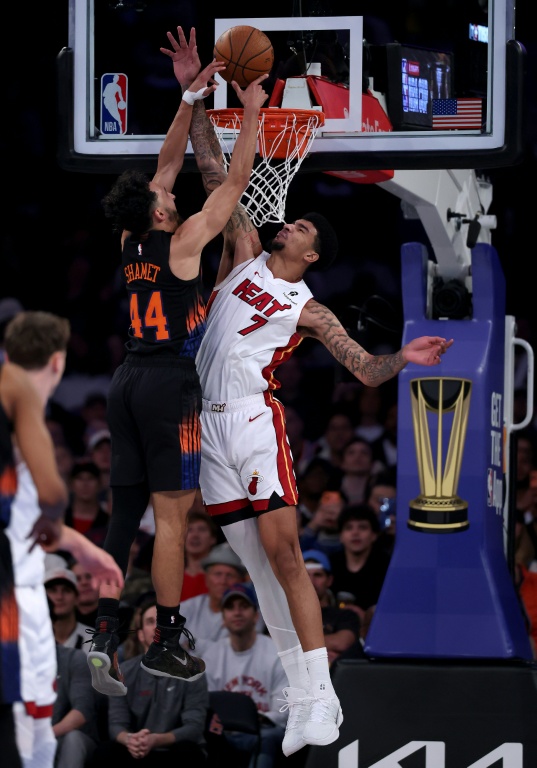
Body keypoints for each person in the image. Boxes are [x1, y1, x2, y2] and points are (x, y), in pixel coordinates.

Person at [178, 40, 453, 756]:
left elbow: (362, 370)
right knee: (257, 571)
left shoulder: (306, 305)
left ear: (311, 252)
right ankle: (309, 699)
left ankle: (316, 694)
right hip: (203, 431)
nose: (288, 221)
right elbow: (213, 171)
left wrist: (406, 358)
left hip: (249, 421)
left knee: (286, 557)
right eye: (290, 219)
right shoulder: (240, 251)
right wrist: (199, 99)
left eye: (300, 226)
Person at [87, 24, 269, 697]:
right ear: (166, 217)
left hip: (126, 381)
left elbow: (162, 169)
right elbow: (239, 180)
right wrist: (248, 113)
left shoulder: (136, 232)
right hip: (169, 384)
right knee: (172, 520)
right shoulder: (187, 239)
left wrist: (190, 95)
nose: (173, 191)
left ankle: (102, 628)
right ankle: (166, 638)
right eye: (170, 198)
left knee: (118, 514)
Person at [0, 316, 123, 768]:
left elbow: (23, 513)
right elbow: (53, 494)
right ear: (57, 361)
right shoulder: (15, 386)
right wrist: (68, 529)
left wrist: (79, 544)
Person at [87, 596, 209, 768]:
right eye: (151, 622)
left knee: (188, 751)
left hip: (172, 750)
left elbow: (194, 727)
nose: (157, 627)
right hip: (136, 750)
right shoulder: (123, 672)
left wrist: (156, 740)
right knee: (106, 751)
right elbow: (116, 724)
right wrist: (130, 740)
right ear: (141, 634)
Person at [202, 583, 287, 768]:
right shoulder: (212, 655)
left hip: (263, 730)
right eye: (230, 608)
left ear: (256, 615)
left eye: (244, 606)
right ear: (223, 618)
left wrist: (250, 720)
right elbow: (206, 704)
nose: (237, 612)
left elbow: (282, 711)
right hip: (224, 730)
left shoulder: (276, 653)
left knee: (268, 737)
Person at [180, 542, 266, 649]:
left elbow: (244, 647)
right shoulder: (187, 607)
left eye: (230, 575)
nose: (223, 581)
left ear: (240, 581)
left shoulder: (251, 611)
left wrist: (194, 645)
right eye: (217, 574)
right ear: (206, 579)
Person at [329, 504, 391, 625]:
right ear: (340, 536)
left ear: (374, 535)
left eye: (362, 527)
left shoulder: (386, 565)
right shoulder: (331, 564)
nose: (355, 533)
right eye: (349, 528)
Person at [302, 550, 364, 667]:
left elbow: (342, 643)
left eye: (318, 575)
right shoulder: (286, 616)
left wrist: (295, 648)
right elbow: (273, 647)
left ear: (329, 580)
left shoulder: (346, 616)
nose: (311, 581)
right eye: (305, 575)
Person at [44, 556, 94, 655]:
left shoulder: (94, 641)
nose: (59, 597)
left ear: (77, 598)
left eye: (66, 590)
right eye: (53, 590)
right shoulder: (34, 639)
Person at [181, 507, 220, 601]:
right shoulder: (172, 579)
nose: (195, 535)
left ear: (212, 539)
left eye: (202, 529)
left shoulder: (221, 578)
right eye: (189, 530)